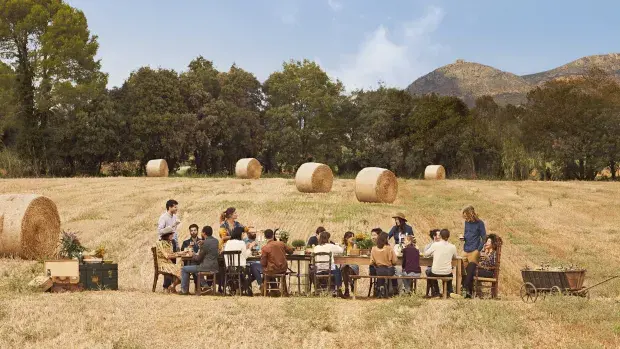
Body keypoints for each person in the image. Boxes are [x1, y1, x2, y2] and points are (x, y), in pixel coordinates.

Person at [180, 226, 219, 295]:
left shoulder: (204, 243)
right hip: (215, 266)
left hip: (206, 267)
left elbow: (198, 258)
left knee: (184, 269)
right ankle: (206, 286)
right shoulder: (216, 241)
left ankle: (184, 290)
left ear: (204, 233)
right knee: (194, 266)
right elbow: (210, 244)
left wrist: (192, 254)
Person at [424, 229, 458, 297]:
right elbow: (455, 256)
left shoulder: (435, 245)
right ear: (448, 236)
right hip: (447, 272)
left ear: (441, 236)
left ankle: (436, 292)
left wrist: (433, 254)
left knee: (429, 272)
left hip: (435, 271)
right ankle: (449, 292)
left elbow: (426, 254)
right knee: (450, 274)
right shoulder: (452, 246)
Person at [463, 234, 498, 298]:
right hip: (482, 269)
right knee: (471, 265)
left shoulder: (494, 253)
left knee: (469, 271)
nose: (486, 243)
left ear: (493, 243)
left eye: (489, 242)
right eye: (486, 241)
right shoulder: (484, 251)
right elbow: (480, 262)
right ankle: (467, 290)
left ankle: (466, 288)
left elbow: (494, 265)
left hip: (489, 271)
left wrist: (487, 258)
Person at [313, 231, 344, 297]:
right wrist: (336, 244)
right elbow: (341, 250)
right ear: (328, 239)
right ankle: (339, 289)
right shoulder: (330, 246)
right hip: (329, 271)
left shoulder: (316, 248)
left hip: (319, 271)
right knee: (338, 270)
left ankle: (317, 290)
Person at [157, 199, 180, 290]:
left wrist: (177, 244)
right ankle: (166, 286)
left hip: (172, 242)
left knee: (173, 263)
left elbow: (175, 233)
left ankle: (172, 286)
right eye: (175, 207)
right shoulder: (163, 217)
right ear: (169, 207)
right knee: (168, 264)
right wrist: (172, 226)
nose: (176, 208)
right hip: (165, 243)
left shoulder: (174, 217)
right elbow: (160, 231)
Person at [223, 227, 253, 295]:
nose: (243, 235)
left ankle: (236, 288)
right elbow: (245, 256)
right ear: (241, 233)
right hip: (240, 268)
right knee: (249, 268)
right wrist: (250, 248)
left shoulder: (228, 242)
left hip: (229, 268)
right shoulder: (241, 242)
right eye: (243, 234)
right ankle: (245, 289)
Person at [370, 232, 398, 298]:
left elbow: (371, 262)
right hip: (389, 270)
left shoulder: (373, 249)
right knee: (395, 273)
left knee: (380, 273)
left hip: (379, 270)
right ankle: (395, 290)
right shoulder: (389, 248)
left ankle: (381, 289)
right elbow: (394, 261)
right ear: (386, 239)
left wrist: (377, 264)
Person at [340, 231, 359, 298]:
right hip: (345, 265)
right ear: (346, 238)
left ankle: (348, 287)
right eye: (350, 237)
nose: (352, 238)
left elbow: (355, 255)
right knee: (344, 269)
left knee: (348, 269)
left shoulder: (355, 245)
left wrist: (354, 244)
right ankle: (348, 287)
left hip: (353, 265)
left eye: (353, 236)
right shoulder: (343, 246)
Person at [423, 229, 441, 297]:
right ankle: (435, 292)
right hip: (431, 267)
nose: (440, 236)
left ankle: (435, 292)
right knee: (430, 271)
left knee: (431, 272)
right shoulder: (428, 246)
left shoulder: (443, 245)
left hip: (441, 267)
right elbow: (425, 255)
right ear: (434, 236)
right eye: (439, 235)